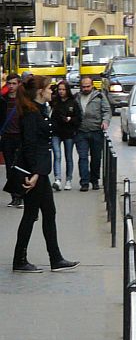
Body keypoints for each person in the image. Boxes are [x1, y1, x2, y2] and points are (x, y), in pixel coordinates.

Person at [11, 76, 78, 273]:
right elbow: (31, 146)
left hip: (39, 172)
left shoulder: (39, 110)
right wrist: (35, 174)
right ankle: (21, 259)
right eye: (49, 88)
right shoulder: (32, 114)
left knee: (46, 213)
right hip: (35, 174)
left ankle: (54, 258)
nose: (53, 91)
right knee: (32, 215)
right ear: (40, 91)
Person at [75, 76, 111, 193]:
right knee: (83, 157)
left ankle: (95, 180)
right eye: (83, 86)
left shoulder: (99, 96)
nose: (85, 88)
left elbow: (107, 110)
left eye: (88, 86)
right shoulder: (77, 97)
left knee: (96, 158)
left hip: (96, 131)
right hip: (81, 132)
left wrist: (105, 121)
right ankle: (84, 182)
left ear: (92, 86)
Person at [50, 80, 82, 190]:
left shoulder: (73, 102)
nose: (61, 92)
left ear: (67, 90)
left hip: (69, 132)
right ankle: (57, 179)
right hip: (56, 132)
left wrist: (70, 119)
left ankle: (68, 179)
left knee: (68, 156)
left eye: (63, 89)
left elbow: (78, 118)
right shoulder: (54, 101)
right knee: (57, 155)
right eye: (59, 89)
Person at [2, 72, 23, 208]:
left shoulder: (23, 100)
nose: (11, 86)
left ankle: (21, 196)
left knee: (20, 167)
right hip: (7, 137)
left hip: (20, 137)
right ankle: (14, 196)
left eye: (14, 83)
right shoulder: (2, 100)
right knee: (10, 168)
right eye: (9, 83)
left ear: (19, 84)